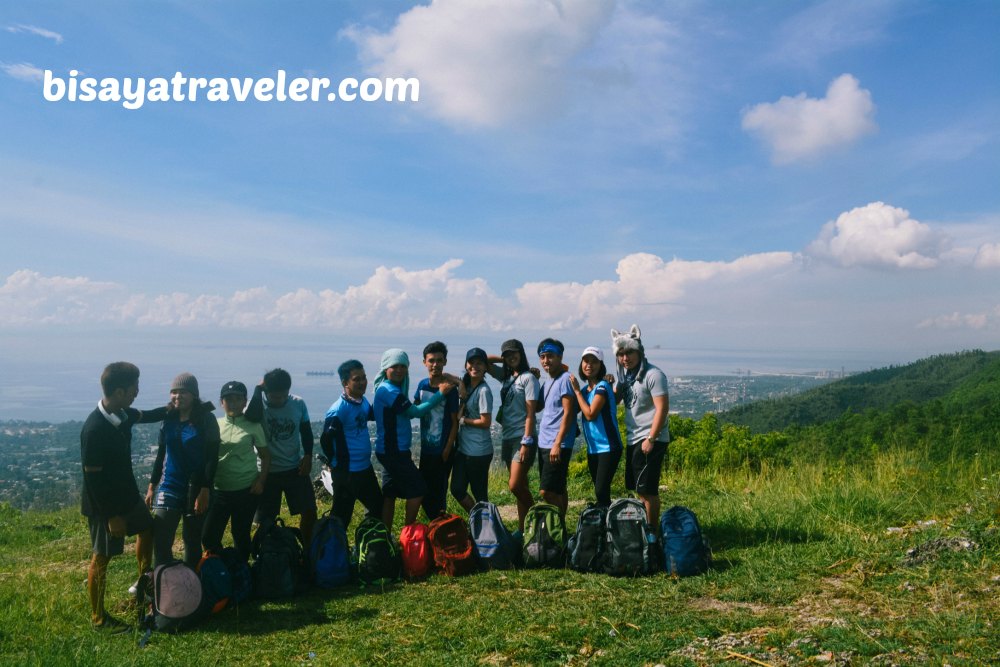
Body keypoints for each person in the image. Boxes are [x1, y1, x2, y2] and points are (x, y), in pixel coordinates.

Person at [80, 361, 169, 633]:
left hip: (128, 497)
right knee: (102, 557)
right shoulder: (95, 429)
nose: (137, 392)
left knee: (148, 528)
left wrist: (176, 408)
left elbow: (149, 415)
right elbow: (93, 479)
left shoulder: (122, 415)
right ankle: (99, 619)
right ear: (119, 392)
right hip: (104, 505)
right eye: (134, 388)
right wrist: (111, 517)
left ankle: (142, 585)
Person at [372, 348, 455, 529]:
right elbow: (414, 412)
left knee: (390, 493)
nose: (400, 370)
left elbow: (407, 413)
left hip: (388, 449)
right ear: (386, 368)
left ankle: (386, 534)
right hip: (394, 451)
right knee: (418, 490)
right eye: (395, 366)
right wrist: (440, 394)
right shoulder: (389, 391)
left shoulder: (390, 388)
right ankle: (407, 533)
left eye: (403, 366)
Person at [146, 372, 220, 568]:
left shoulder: (206, 419)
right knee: (161, 540)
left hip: (195, 488)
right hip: (169, 484)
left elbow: (212, 457)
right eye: (174, 392)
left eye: (183, 392)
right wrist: (152, 486)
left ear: (194, 395)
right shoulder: (168, 419)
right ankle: (162, 586)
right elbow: (161, 454)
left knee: (192, 541)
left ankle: (192, 586)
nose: (178, 396)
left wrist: (205, 489)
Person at [247, 368, 317, 544]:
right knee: (264, 519)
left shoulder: (297, 403)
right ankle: (265, 554)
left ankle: (307, 550)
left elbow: (306, 431)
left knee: (309, 511)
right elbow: (250, 417)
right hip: (266, 472)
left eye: (283, 396)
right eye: (274, 396)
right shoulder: (257, 405)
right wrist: (257, 389)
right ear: (265, 391)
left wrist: (308, 455)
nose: (279, 400)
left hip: (294, 468)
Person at [202, 381, 270, 562]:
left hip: (246, 489)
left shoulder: (253, 425)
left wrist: (261, 481)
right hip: (219, 489)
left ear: (244, 402)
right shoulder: (214, 425)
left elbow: (265, 456)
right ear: (221, 402)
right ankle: (223, 567)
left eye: (238, 399)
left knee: (240, 534)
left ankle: (241, 572)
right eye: (228, 399)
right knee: (208, 537)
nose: (232, 403)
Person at [611, 325, 670, 530]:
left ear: (639, 351)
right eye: (621, 354)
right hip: (634, 438)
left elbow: (662, 409)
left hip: (650, 438)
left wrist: (651, 439)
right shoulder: (627, 377)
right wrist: (609, 383)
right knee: (639, 488)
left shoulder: (653, 375)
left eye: (629, 352)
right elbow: (616, 400)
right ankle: (645, 529)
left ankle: (652, 533)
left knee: (648, 490)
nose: (625, 358)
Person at [320, 360, 383, 531]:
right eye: (357, 379)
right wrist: (333, 461)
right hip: (347, 472)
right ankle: (332, 552)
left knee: (378, 507)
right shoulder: (339, 410)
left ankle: (368, 544)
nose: (362, 382)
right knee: (341, 517)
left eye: (364, 378)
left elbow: (370, 414)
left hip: (364, 468)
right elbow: (325, 439)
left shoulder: (361, 401)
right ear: (345, 383)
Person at [487, 339, 539, 531]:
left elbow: (531, 413)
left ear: (522, 353)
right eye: (507, 355)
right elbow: (483, 361)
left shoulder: (529, 378)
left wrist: (526, 442)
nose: (511, 357)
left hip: (522, 438)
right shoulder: (507, 377)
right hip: (507, 437)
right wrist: (503, 360)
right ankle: (524, 529)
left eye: (514, 353)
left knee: (515, 485)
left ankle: (537, 516)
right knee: (521, 486)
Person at [569, 347, 623, 507]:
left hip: (609, 447)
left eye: (594, 362)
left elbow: (590, 414)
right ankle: (605, 523)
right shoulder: (586, 390)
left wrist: (577, 392)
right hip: (593, 449)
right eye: (586, 361)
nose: (589, 365)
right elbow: (570, 411)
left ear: (601, 365)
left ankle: (610, 522)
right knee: (601, 493)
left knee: (601, 490)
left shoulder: (602, 387)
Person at [413, 341, 460, 520]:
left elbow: (454, 422)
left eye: (439, 360)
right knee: (424, 490)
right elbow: (416, 407)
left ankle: (440, 528)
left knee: (439, 492)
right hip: (426, 449)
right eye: (431, 360)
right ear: (424, 362)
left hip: (442, 450)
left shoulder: (450, 390)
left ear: (445, 362)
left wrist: (448, 448)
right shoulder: (422, 385)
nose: (435, 365)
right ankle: (434, 526)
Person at [536, 338, 577, 518]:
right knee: (559, 489)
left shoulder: (565, 380)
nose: (546, 361)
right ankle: (562, 530)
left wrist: (557, 443)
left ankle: (559, 524)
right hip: (544, 441)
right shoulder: (549, 381)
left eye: (550, 356)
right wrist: (534, 379)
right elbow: (538, 407)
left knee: (547, 492)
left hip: (556, 443)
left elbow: (569, 413)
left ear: (560, 357)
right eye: (543, 357)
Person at [450, 348, 494, 512]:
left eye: (479, 363)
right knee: (456, 488)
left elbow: (485, 422)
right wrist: (460, 383)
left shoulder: (484, 391)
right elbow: (446, 376)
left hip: (479, 452)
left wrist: (462, 420)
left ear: (485, 367)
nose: (475, 366)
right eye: (471, 363)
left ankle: (487, 527)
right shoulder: (467, 385)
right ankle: (478, 519)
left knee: (480, 494)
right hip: (463, 449)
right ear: (466, 365)